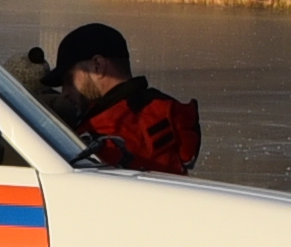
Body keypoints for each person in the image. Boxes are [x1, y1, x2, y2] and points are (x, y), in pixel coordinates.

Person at [26, 21, 200, 173]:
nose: (65, 92)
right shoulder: (161, 109)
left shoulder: (112, 131)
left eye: (68, 79)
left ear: (97, 65)